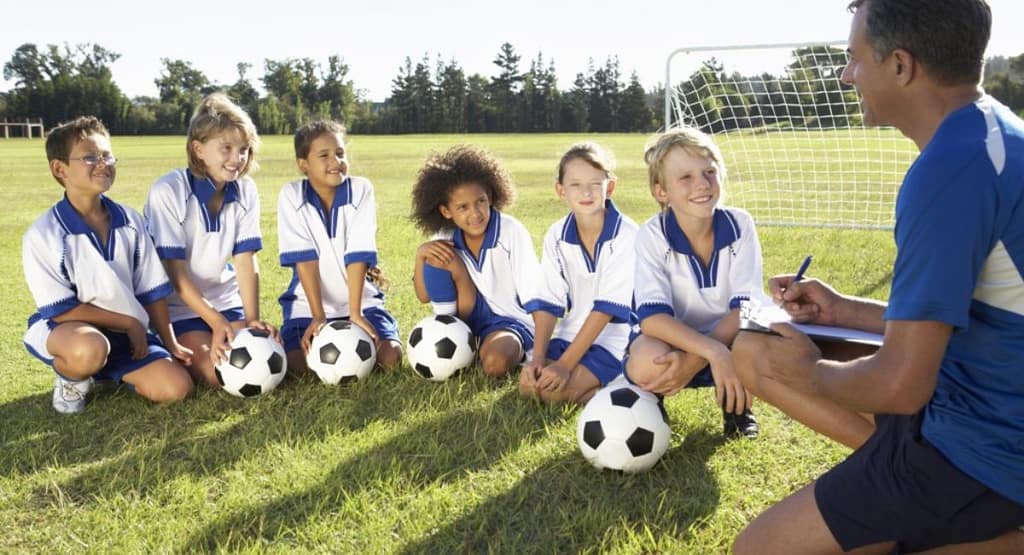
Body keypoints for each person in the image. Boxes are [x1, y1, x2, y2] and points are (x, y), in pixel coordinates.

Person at [731, 1, 1024, 553]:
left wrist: (813, 370)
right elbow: (979, 319)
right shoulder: (993, 133)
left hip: (985, 443)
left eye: (854, 58)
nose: (847, 75)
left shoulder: (950, 170)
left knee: (757, 549)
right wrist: (846, 311)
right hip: (982, 398)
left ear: (901, 66)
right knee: (755, 351)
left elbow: (900, 385)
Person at [23, 116, 194, 414]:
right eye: (90, 157)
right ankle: (72, 377)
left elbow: (151, 290)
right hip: (69, 330)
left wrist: (171, 343)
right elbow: (60, 309)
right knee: (89, 348)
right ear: (59, 169)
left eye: (107, 155)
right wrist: (129, 322)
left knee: (177, 389)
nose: (102, 163)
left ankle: (106, 371)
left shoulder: (131, 221)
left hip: (127, 338)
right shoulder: (44, 234)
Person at [625, 127, 763, 439]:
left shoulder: (739, 225)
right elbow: (652, 319)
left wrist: (709, 353)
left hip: (731, 334)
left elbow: (746, 311)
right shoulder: (652, 235)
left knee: (756, 346)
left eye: (709, 172)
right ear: (662, 192)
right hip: (674, 337)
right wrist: (711, 352)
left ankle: (737, 409)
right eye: (685, 177)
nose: (701, 184)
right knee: (648, 362)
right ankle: (650, 404)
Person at [144, 93, 279, 389]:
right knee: (216, 373)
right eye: (226, 148)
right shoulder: (168, 190)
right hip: (178, 308)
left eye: (244, 149)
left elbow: (245, 259)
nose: (237, 159)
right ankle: (160, 346)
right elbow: (175, 274)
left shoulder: (245, 190)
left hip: (226, 302)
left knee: (263, 356)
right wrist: (216, 322)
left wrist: (252, 319)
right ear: (198, 149)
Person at [277, 120, 402, 375]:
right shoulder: (291, 195)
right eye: (324, 155)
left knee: (389, 357)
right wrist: (318, 317)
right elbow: (305, 260)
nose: (336, 161)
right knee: (296, 367)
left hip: (361, 303)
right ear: (304, 165)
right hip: (307, 307)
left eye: (340, 153)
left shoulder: (360, 190)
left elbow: (357, 255)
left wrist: (355, 313)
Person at [519, 142, 638, 404]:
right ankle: (593, 389)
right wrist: (538, 359)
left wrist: (564, 365)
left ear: (610, 187)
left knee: (554, 394)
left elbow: (605, 309)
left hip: (616, 341)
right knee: (529, 388)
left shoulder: (627, 235)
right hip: (570, 334)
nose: (586, 192)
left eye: (595, 183)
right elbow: (548, 302)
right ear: (560, 190)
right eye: (575, 184)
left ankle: (621, 385)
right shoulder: (557, 234)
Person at [410, 145, 537, 378]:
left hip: (507, 321)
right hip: (463, 318)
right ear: (447, 211)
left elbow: (534, 294)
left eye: (480, 201)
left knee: (495, 364)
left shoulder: (510, 232)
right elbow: (423, 295)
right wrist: (421, 255)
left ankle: (476, 349)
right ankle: (451, 333)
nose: (475, 213)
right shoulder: (444, 237)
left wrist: (543, 348)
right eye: (463, 207)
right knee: (436, 255)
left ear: (490, 196)